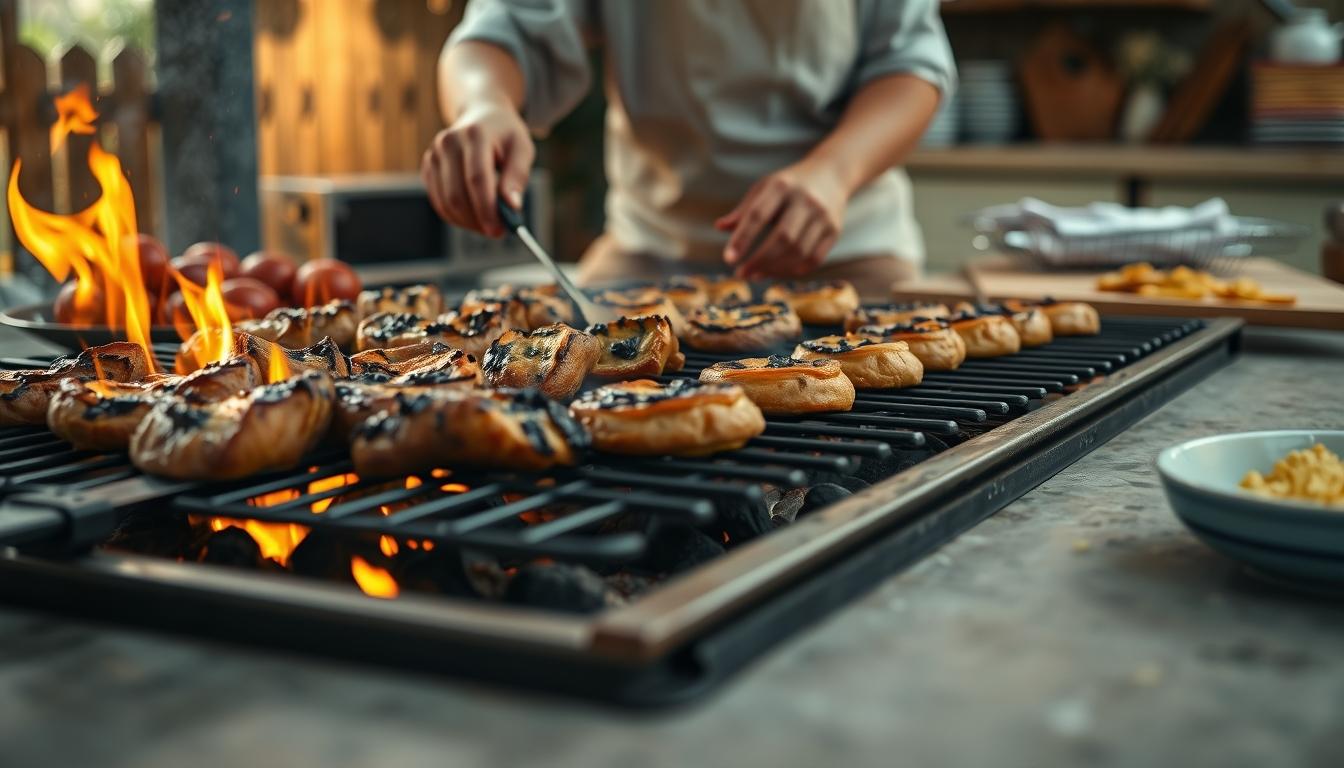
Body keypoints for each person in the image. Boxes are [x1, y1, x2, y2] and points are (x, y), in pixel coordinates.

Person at [421, 0, 955, 291]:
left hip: (847, 252)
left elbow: (910, 66)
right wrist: (484, 106)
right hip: (649, 250)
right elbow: (503, 28)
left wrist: (832, 173)